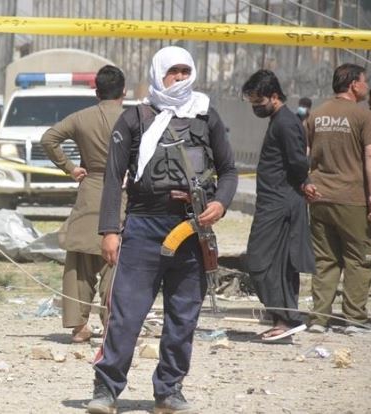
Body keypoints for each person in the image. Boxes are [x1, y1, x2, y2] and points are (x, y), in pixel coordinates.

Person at [87, 46, 238, 414]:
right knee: (126, 313)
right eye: (174, 71)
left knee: (183, 315)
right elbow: (113, 178)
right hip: (144, 225)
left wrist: (220, 203)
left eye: (186, 71)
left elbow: (229, 171)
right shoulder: (134, 119)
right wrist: (109, 230)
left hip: (192, 228)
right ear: (159, 74)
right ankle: (106, 389)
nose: (180, 77)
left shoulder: (206, 115)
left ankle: (169, 391)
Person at [41, 65, 126, 343]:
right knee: (117, 262)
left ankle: (79, 327)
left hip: (91, 189)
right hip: (123, 191)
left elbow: (49, 138)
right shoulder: (132, 118)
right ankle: (114, 325)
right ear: (124, 92)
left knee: (80, 261)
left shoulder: (81, 118)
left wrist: (70, 168)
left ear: (96, 92)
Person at [241, 70, 314, 342]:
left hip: (279, 203)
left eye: (258, 102)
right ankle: (282, 320)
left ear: (274, 96)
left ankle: (286, 319)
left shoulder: (285, 123)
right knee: (275, 263)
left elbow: (298, 162)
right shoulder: (279, 120)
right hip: (274, 201)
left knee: (260, 260)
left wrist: (304, 182)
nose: (255, 107)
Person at [303, 63, 371, 333]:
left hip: (320, 195)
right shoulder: (364, 115)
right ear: (353, 84)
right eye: (364, 81)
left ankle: (319, 319)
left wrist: (306, 183)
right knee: (360, 258)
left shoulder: (317, 114)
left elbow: (305, 153)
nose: (367, 86)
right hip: (352, 197)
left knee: (325, 259)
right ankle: (353, 319)